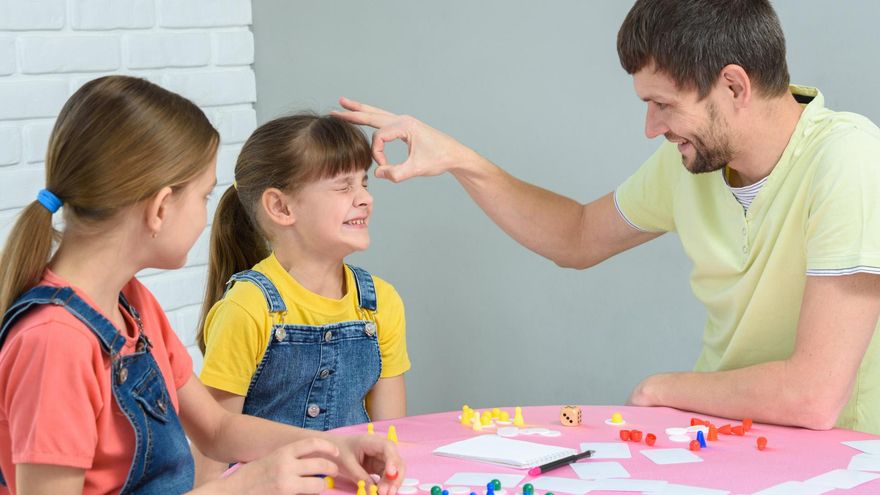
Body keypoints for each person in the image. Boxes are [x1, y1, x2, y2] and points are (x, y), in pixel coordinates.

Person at [334, 0, 880, 433]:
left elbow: (815, 395)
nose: (650, 127)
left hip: (843, 457)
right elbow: (576, 235)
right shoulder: (687, 166)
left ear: (734, 86)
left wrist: (659, 389)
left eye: (663, 104)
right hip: (729, 439)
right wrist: (459, 159)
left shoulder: (848, 159)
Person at [0, 76, 404, 495]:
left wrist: (335, 448)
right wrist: (243, 486)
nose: (205, 215)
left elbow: (217, 427)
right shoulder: (54, 343)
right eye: (203, 196)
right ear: (160, 208)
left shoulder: (130, 303)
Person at [192, 114, 410, 484]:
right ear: (281, 208)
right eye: (343, 186)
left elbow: (391, 434)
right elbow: (213, 445)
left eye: (363, 182)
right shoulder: (248, 306)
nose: (365, 198)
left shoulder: (380, 303)